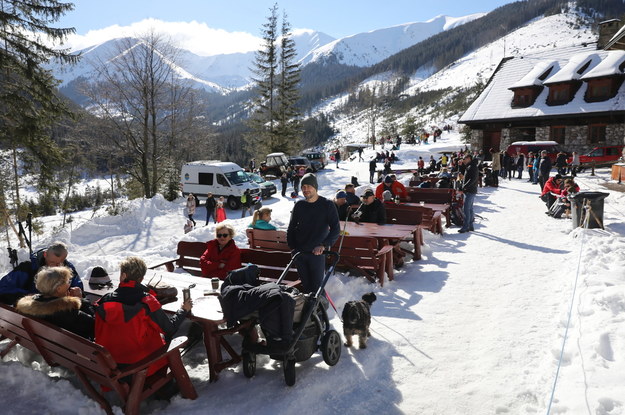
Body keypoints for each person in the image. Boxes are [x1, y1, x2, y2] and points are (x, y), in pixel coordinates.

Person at [95, 257, 192, 376]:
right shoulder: (146, 302)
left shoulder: (104, 300)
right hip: (142, 365)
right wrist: (183, 310)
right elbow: (169, 329)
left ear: (123, 276)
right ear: (141, 278)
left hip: (111, 364)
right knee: (170, 335)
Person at [287, 173, 340, 293]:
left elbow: (336, 229)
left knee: (317, 289)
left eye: (308, 186)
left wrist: (324, 245)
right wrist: (293, 247)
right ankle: (308, 311)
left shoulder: (327, 205)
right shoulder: (299, 205)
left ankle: (320, 310)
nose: (305, 189)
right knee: (306, 288)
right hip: (300, 253)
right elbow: (291, 228)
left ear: (315, 187)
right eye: (303, 187)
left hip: (317, 254)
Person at [16, 266, 95, 340]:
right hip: (68, 351)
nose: (70, 284)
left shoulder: (30, 305)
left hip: (42, 347)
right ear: (59, 288)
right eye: (68, 281)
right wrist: (81, 300)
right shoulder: (67, 312)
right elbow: (95, 326)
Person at [0, 241, 83, 306]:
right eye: (51, 262)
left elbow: (78, 289)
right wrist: (30, 296)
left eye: (59, 263)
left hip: (58, 312)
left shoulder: (68, 268)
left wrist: (77, 293)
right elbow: (3, 288)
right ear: (45, 254)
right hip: (31, 313)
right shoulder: (27, 268)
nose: (55, 266)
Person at [457, 153, 478, 233]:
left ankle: (466, 226)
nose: (463, 160)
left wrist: (464, 187)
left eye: (464, 158)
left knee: (466, 209)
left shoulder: (473, 167)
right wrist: (460, 166)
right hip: (470, 190)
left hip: (470, 190)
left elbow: (472, 179)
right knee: (470, 209)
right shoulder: (470, 166)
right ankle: (470, 225)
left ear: (469, 158)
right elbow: (464, 174)